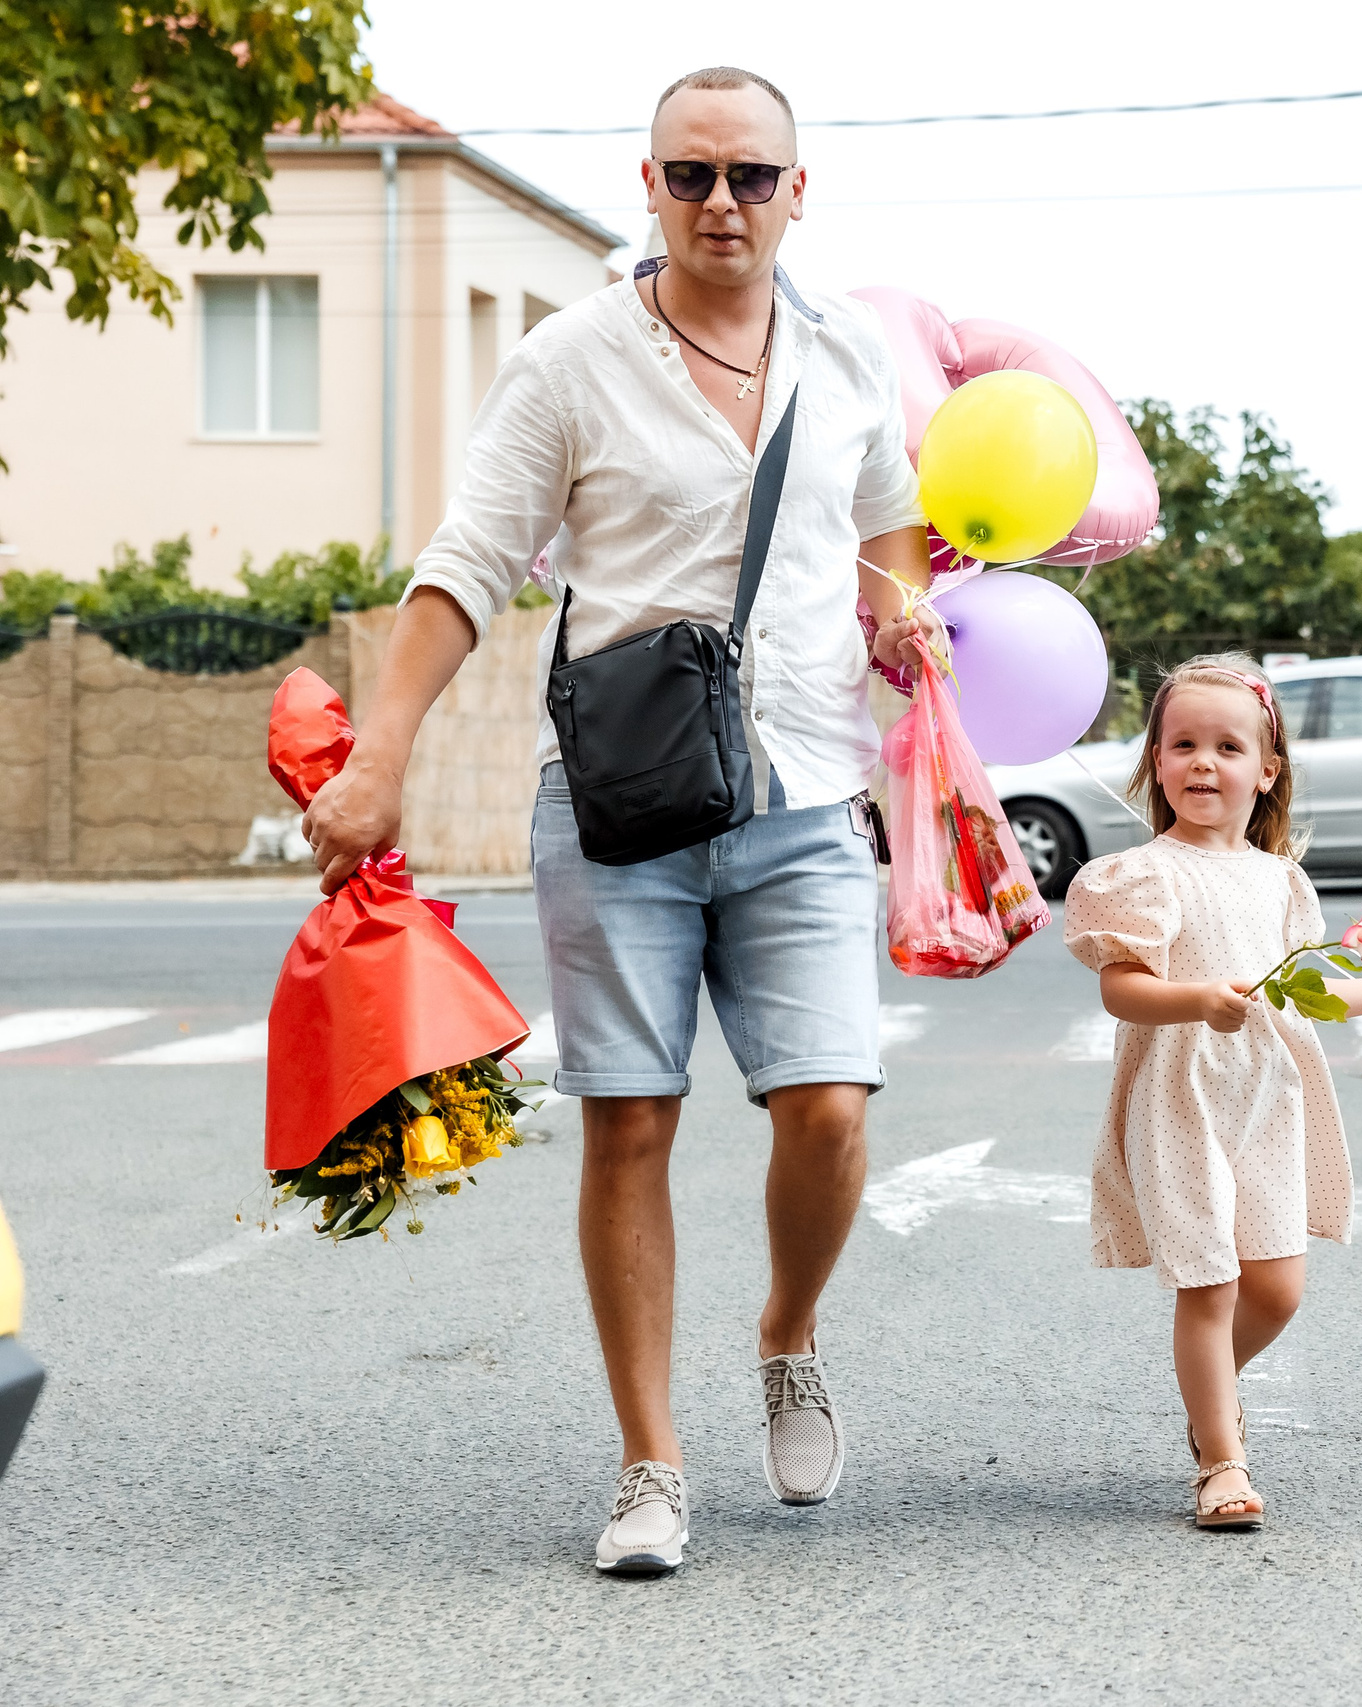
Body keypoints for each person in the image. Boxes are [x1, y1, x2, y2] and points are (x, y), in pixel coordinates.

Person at [301, 66, 942, 1574]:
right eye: (693, 175)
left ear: (800, 191)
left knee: (831, 1105)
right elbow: (469, 561)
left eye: (752, 177)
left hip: (803, 784)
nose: (724, 202)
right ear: (647, 185)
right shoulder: (569, 359)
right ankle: (651, 1461)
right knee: (630, 1120)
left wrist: (899, 609)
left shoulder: (846, 354)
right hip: (623, 799)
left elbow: (889, 514)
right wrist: (383, 747)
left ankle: (784, 1325)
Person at [1061, 657, 1362, 1527]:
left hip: (1269, 1094)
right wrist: (1195, 997)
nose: (1205, 762)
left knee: (1276, 1287)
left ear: (1265, 770)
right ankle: (1220, 1458)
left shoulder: (1277, 878)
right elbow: (1121, 988)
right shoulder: (1143, 875)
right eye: (1184, 744)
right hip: (1180, 1094)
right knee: (1209, 1281)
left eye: (1227, 746)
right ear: (1157, 762)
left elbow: (1305, 985)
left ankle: (1213, 1395)